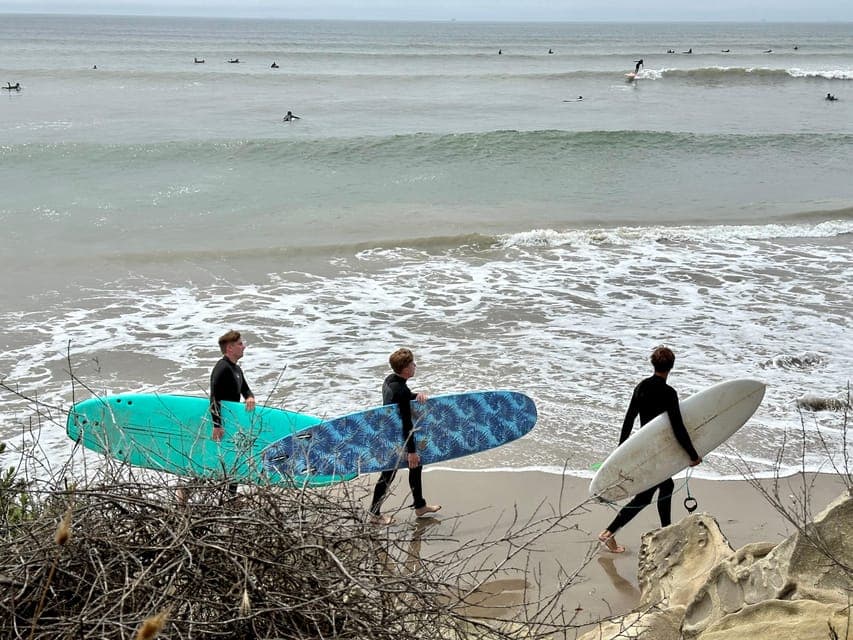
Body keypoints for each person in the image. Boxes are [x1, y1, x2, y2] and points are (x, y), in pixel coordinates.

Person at [598, 346, 702, 553]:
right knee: (649, 494)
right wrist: (692, 455)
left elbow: (629, 419)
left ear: (653, 364)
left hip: (644, 449)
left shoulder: (642, 387)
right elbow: (678, 427)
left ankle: (664, 531)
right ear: (671, 367)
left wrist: (621, 451)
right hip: (659, 450)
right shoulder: (669, 393)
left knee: (664, 487)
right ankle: (610, 533)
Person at [369, 348, 441, 525]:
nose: (415, 365)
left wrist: (416, 396)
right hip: (396, 438)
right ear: (405, 369)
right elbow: (407, 423)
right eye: (412, 364)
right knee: (388, 474)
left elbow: (402, 397)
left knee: (415, 467)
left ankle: (420, 506)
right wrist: (412, 451)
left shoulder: (391, 380)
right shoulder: (400, 390)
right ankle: (374, 514)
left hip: (388, 432)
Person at [210, 330, 256, 497]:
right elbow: (214, 397)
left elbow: (245, 389)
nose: (244, 347)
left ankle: (231, 496)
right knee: (219, 458)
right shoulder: (221, 368)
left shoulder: (236, 369)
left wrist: (249, 397)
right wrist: (217, 424)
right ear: (230, 348)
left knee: (234, 457)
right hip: (223, 421)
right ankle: (186, 488)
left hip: (233, 420)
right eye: (240, 344)